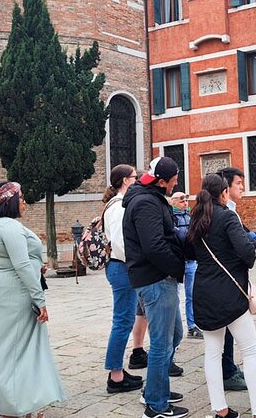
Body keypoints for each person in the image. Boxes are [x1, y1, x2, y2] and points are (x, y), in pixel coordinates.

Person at [187, 173, 256, 418]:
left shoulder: (196, 219)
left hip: (204, 291)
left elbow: (193, 252)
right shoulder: (227, 217)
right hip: (229, 293)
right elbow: (248, 255)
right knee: (250, 350)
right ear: (224, 193)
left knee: (212, 353)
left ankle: (221, 410)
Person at [0, 181, 66, 417]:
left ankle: (2, 404)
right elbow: (21, 265)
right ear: (9, 202)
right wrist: (40, 300)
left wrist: (36, 265)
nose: (24, 202)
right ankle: (18, 406)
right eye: (20, 198)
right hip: (14, 293)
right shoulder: (10, 228)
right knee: (21, 350)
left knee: (1, 349)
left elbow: (9, 260)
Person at [123, 157, 187, 418]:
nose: (176, 184)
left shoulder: (150, 198)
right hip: (156, 279)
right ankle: (156, 406)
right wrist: (177, 268)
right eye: (173, 181)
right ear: (161, 181)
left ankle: (155, 389)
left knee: (174, 336)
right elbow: (154, 246)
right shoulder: (146, 203)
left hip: (157, 278)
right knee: (162, 343)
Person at [102, 164, 144, 393]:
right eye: (135, 177)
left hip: (120, 267)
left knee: (125, 320)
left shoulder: (118, 204)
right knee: (122, 322)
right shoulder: (118, 207)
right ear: (125, 181)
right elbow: (120, 242)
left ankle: (116, 370)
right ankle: (115, 375)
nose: (137, 180)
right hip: (122, 268)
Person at [215, 167, 250, 391]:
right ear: (226, 187)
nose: (242, 187)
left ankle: (228, 367)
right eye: (238, 183)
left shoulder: (231, 210)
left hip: (226, 278)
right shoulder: (224, 213)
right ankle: (226, 371)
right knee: (228, 328)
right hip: (226, 278)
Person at [171, 191, 204, 339]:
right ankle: (174, 325)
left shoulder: (190, 217)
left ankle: (192, 325)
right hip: (177, 261)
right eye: (181, 200)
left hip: (190, 260)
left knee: (191, 294)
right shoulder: (170, 217)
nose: (185, 203)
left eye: (186, 200)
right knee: (175, 295)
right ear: (173, 202)